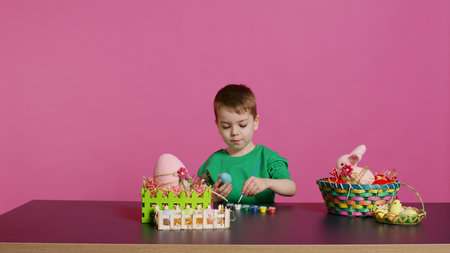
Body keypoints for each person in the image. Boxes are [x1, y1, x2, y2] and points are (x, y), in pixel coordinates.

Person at [197, 84, 296, 204]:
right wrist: (210, 197)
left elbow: (291, 188)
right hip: (226, 222)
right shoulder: (214, 161)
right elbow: (195, 195)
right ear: (218, 126)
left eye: (242, 125)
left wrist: (267, 182)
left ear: (255, 122)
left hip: (264, 222)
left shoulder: (267, 157)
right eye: (226, 126)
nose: (234, 132)